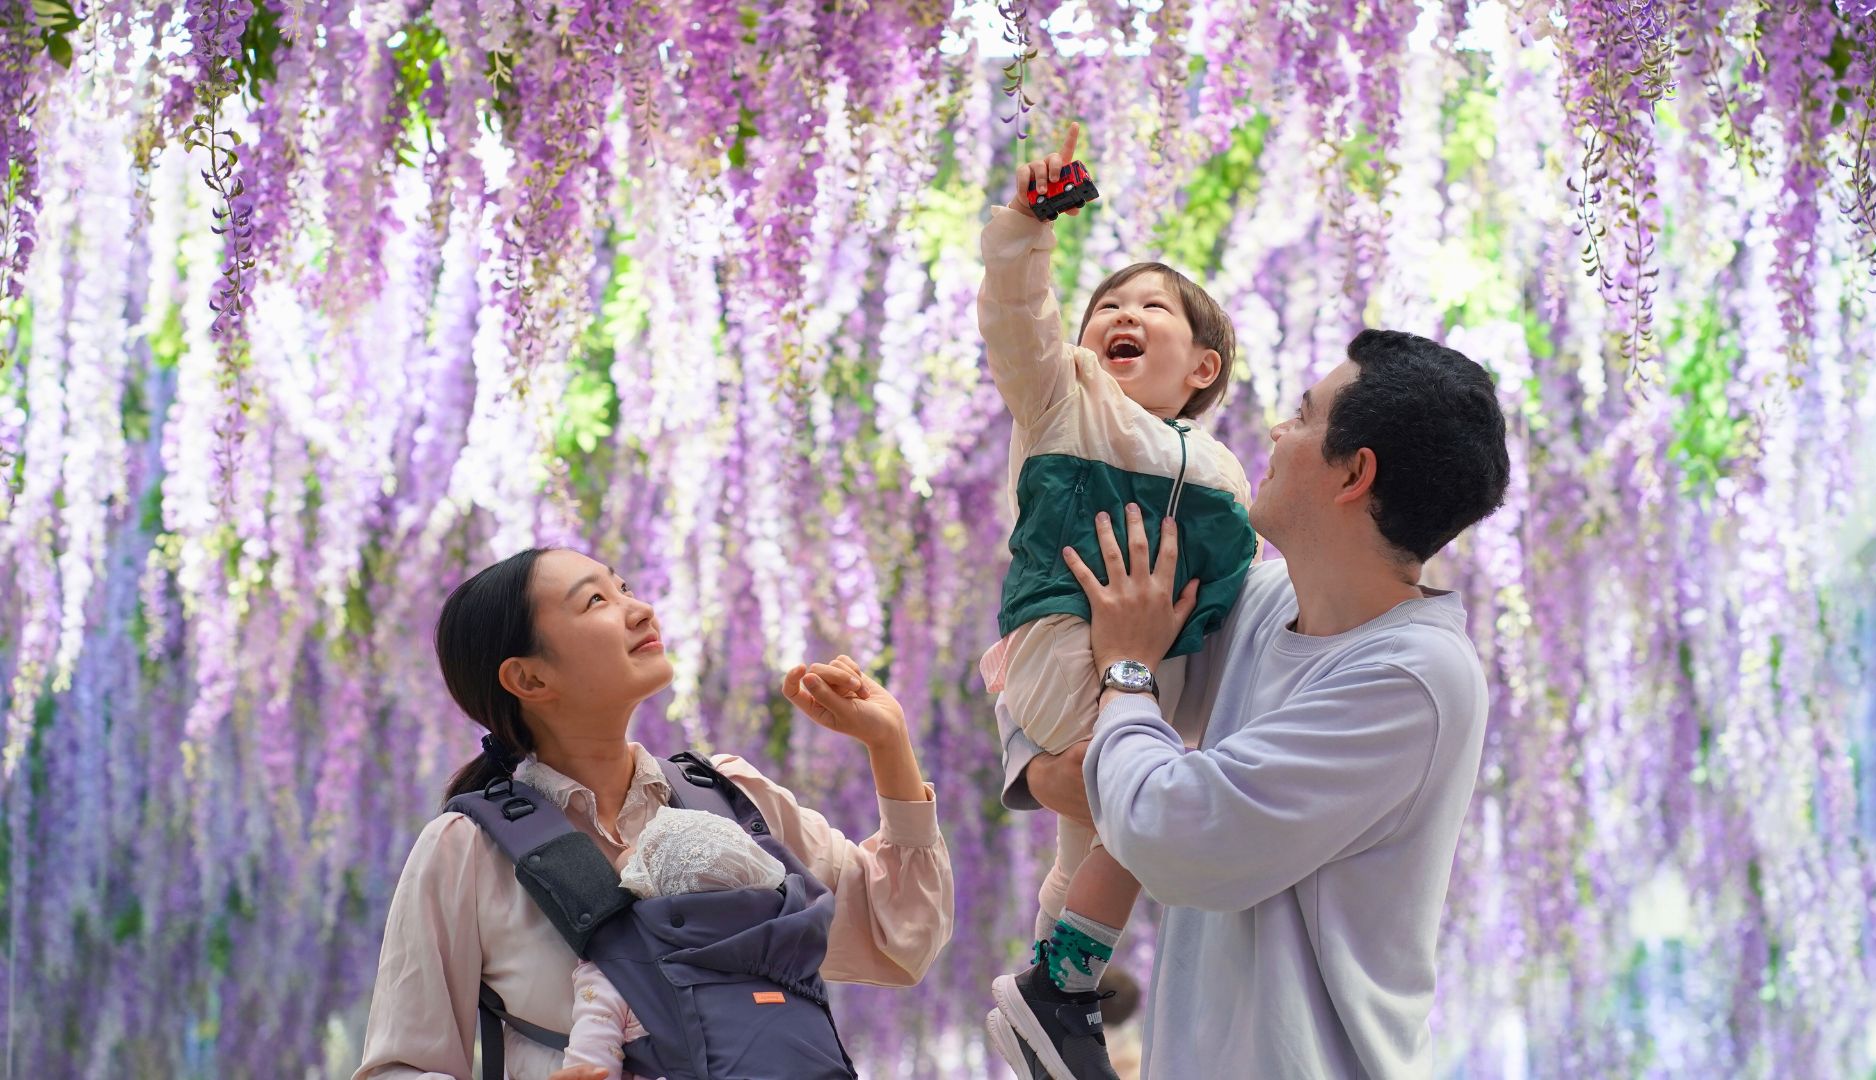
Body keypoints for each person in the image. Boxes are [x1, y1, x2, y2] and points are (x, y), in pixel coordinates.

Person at [1023, 329, 1511, 1077]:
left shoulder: (1414, 677)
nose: (1278, 431)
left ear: (1355, 473)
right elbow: (1094, 724)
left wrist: (1127, 671)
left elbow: (1168, 831)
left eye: (1304, 416)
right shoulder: (1262, 603)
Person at [354, 547, 955, 1080]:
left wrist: (889, 745)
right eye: (595, 601)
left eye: (624, 588)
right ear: (529, 678)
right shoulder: (467, 849)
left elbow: (898, 937)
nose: (640, 610)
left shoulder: (728, 794)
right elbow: (402, 1065)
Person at [975, 121, 1258, 1080]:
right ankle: (1059, 986)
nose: (1120, 314)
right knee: (1144, 797)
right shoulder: (1065, 399)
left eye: (1150, 307)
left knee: (1094, 836)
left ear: (1203, 369)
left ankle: (1054, 1002)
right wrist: (1026, 230)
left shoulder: (1224, 470)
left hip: (1150, 671)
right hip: (1061, 636)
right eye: (1107, 305)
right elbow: (1018, 318)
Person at [560, 806, 789, 1078]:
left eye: (645, 846)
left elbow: (590, 1063)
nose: (630, 846)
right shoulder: (776, 953)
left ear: (647, 885)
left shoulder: (616, 969)